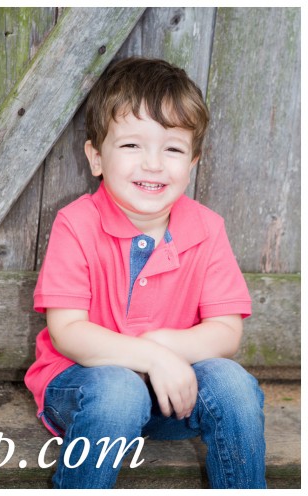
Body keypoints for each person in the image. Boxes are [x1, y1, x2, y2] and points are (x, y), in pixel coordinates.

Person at [24, 57, 265, 488]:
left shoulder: (207, 228)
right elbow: (67, 333)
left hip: (173, 395)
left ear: (192, 163)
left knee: (233, 384)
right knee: (119, 389)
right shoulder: (76, 223)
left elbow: (226, 331)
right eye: (132, 146)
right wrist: (152, 357)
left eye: (172, 148)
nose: (153, 164)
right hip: (85, 391)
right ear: (96, 157)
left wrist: (165, 347)